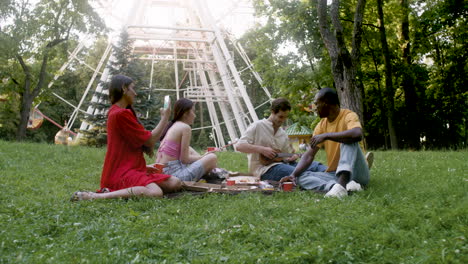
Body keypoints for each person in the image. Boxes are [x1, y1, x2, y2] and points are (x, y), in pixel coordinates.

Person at [71, 75, 181, 201]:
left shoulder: (116, 111)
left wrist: (144, 168)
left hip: (128, 168)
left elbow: (129, 145)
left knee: (175, 183)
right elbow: (150, 140)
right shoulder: (121, 114)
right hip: (121, 172)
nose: (135, 93)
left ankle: (120, 190)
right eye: (132, 89)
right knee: (156, 192)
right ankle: (97, 196)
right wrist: (165, 118)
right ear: (124, 89)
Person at [286, 87, 373, 198]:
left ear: (326, 103)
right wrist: (293, 175)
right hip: (334, 174)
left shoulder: (348, 115)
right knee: (301, 177)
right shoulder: (321, 125)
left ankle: (342, 185)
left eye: (317, 104)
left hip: (357, 173)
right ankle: (335, 187)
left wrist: (327, 136)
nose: (315, 108)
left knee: (348, 140)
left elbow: (357, 134)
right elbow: (309, 155)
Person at [235, 98, 327, 182]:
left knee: (316, 166)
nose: (283, 120)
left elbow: (286, 156)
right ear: (272, 112)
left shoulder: (283, 134)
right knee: (298, 173)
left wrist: (291, 157)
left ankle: (333, 176)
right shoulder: (257, 126)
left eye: (286, 117)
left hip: (282, 165)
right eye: (280, 117)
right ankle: (328, 183)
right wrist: (262, 149)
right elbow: (239, 146)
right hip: (263, 170)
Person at [156, 98, 217, 181]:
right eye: (193, 111)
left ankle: (213, 171)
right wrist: (203, 157)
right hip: (175, 176)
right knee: (212, 157)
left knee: (190, 149)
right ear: (185, 113)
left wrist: (201, 158)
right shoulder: (185, 127)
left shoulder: (172, 126)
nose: (195, 115)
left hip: (162, 171)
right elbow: (185, 160)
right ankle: (215, 172)